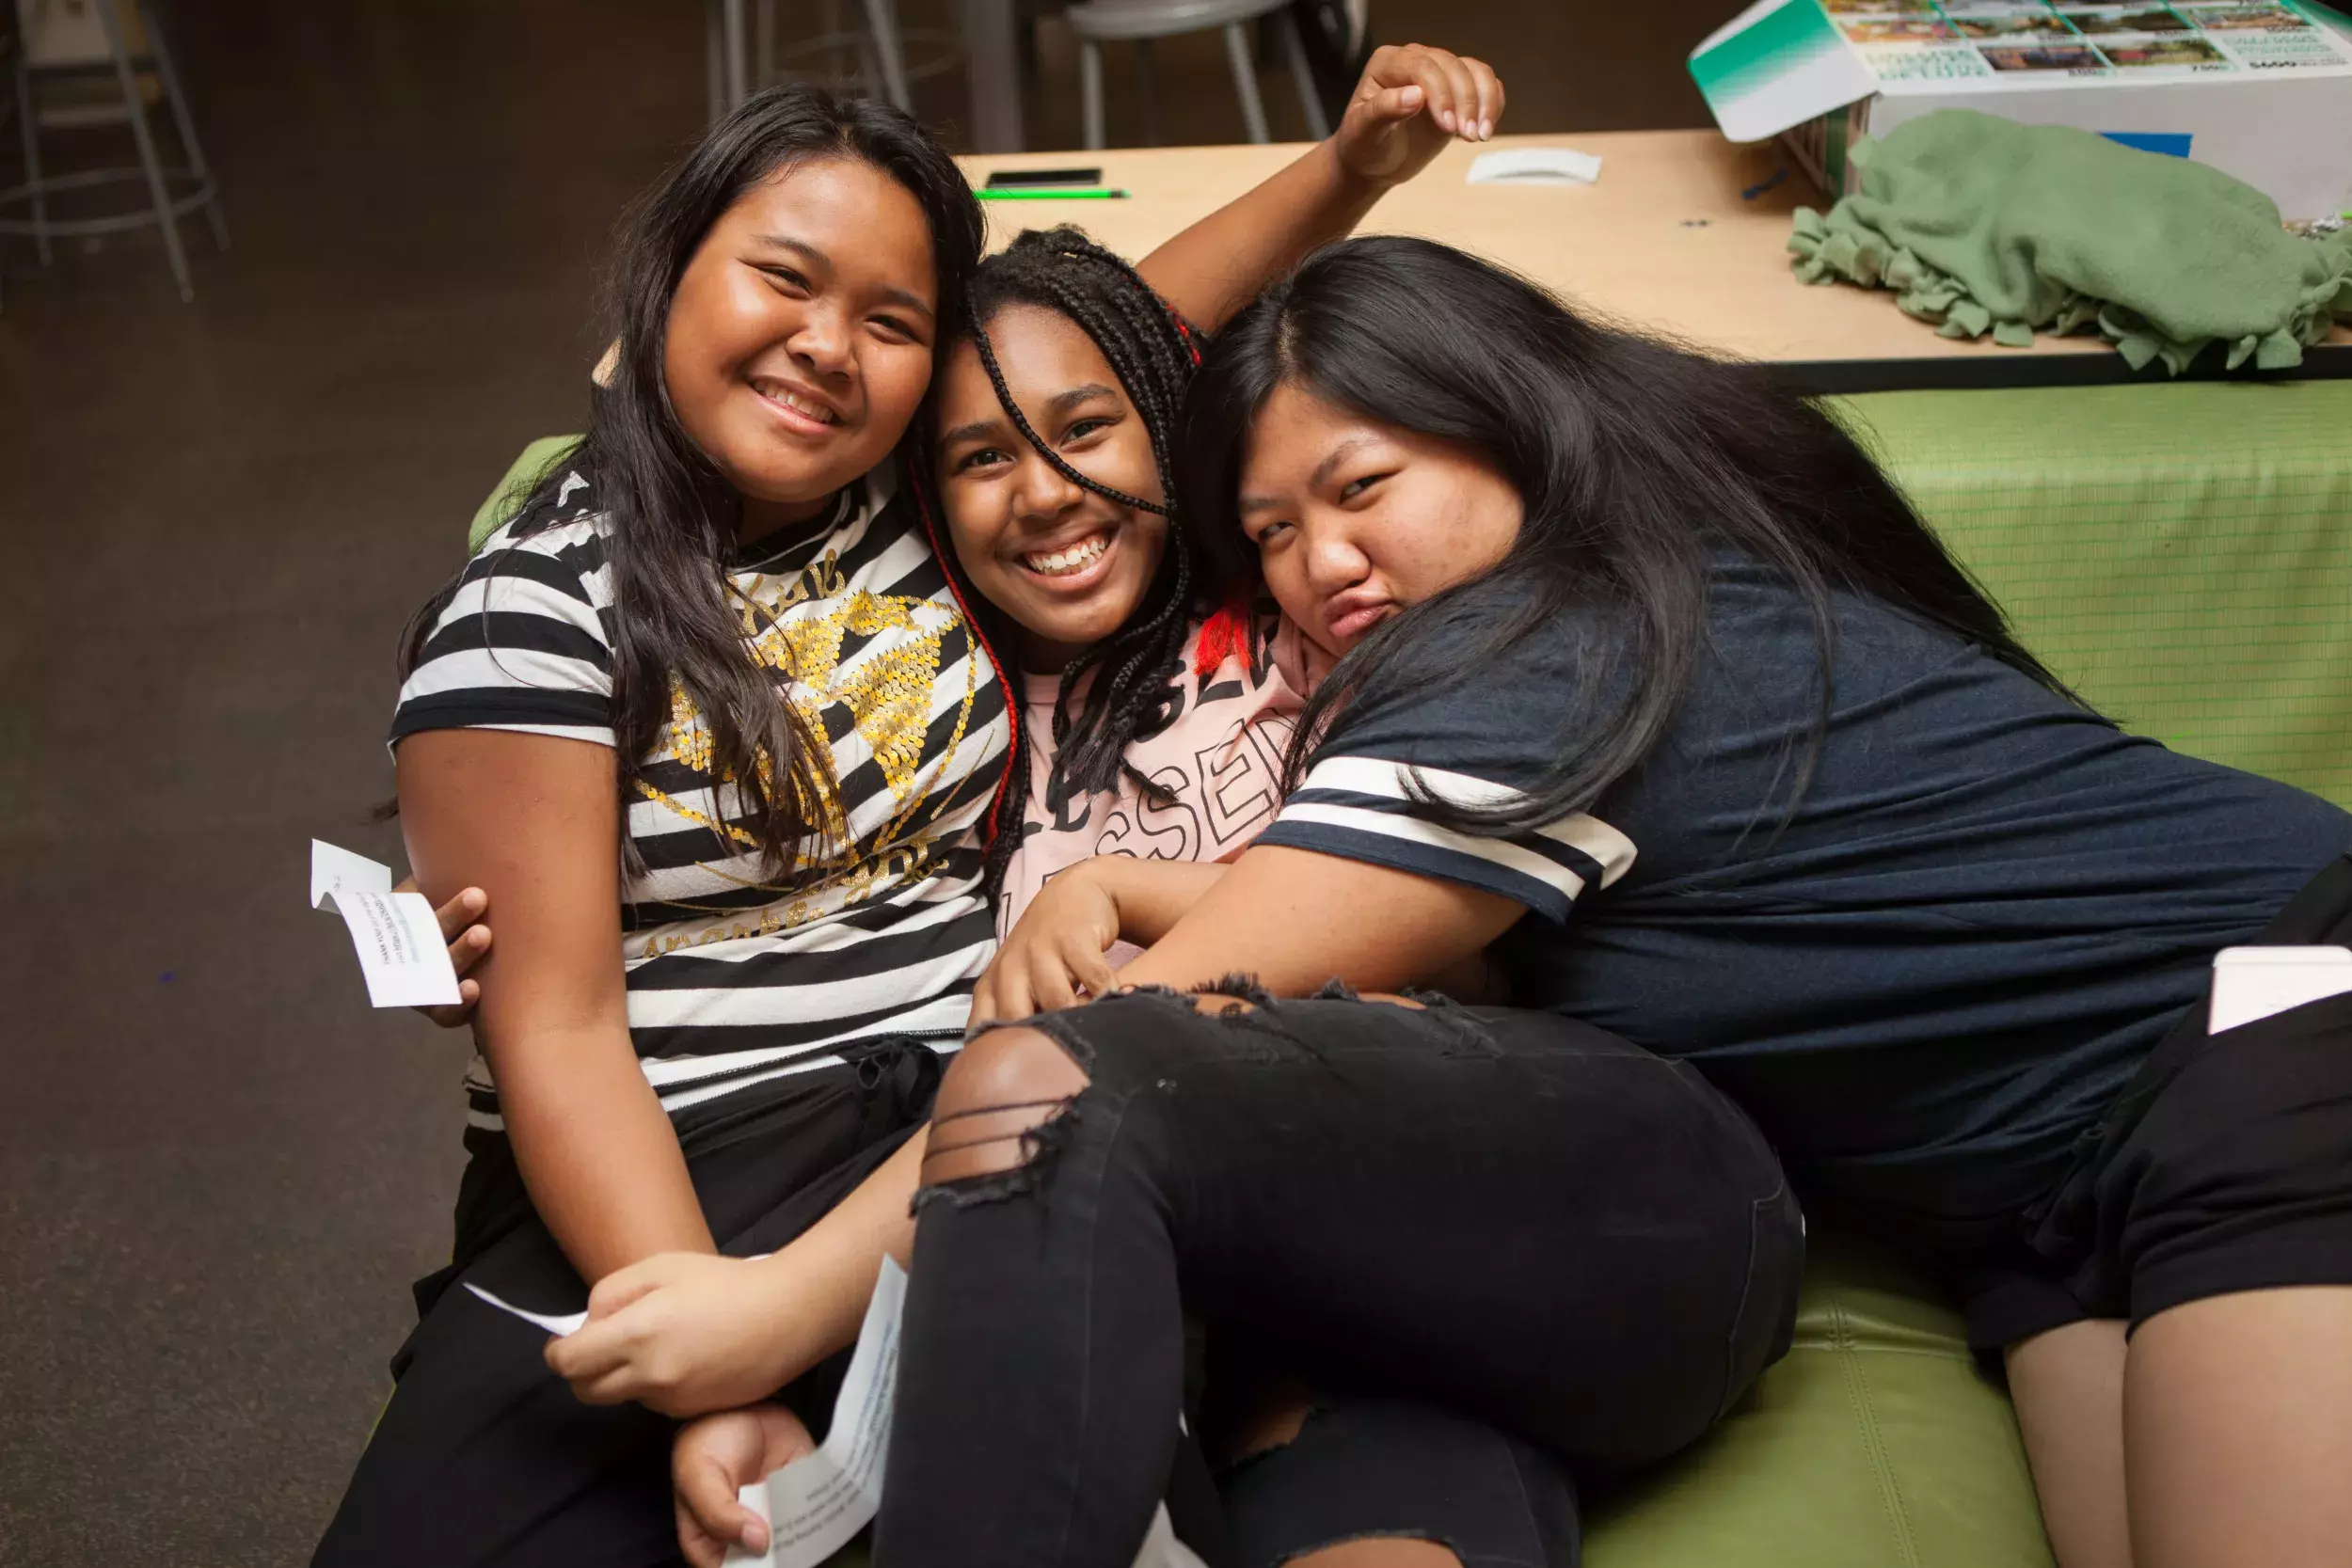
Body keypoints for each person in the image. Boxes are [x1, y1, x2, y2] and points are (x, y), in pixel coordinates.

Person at [325, 55, 1519, 1568]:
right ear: (668, 270)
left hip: (968, 1131)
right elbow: (555, 1028)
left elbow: (1113, 342)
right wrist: (720, 1351)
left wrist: (1353, 167)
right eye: (783, 279)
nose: (829, 349)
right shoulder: (535, 609)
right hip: (674, 1161)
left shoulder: (909, 487)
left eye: (890, 321)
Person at [1000, 235, 2342, 1568]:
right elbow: (1374, 935)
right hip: (2046, 1200)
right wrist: (1116, 874)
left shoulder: (1536, 656)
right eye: (1274, 533)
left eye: (1363, 488)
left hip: (2273, 1023)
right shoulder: (1574, 657)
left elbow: (1104, 1067)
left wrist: (789, 1311)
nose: (1325, 562)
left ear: (1509, 433)